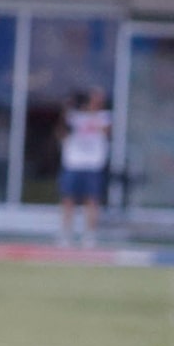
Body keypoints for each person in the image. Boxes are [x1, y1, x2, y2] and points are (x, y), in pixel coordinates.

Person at [57, 87, 113, 246]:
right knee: (68, 200)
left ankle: (89, 235)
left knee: (92, 200)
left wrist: (90, 113)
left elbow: (106, 131)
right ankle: (66, 234)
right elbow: (62, 134)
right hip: (73, 163)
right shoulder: (73, 117)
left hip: (93, 164)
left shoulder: (105, 117)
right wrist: (66, 111)